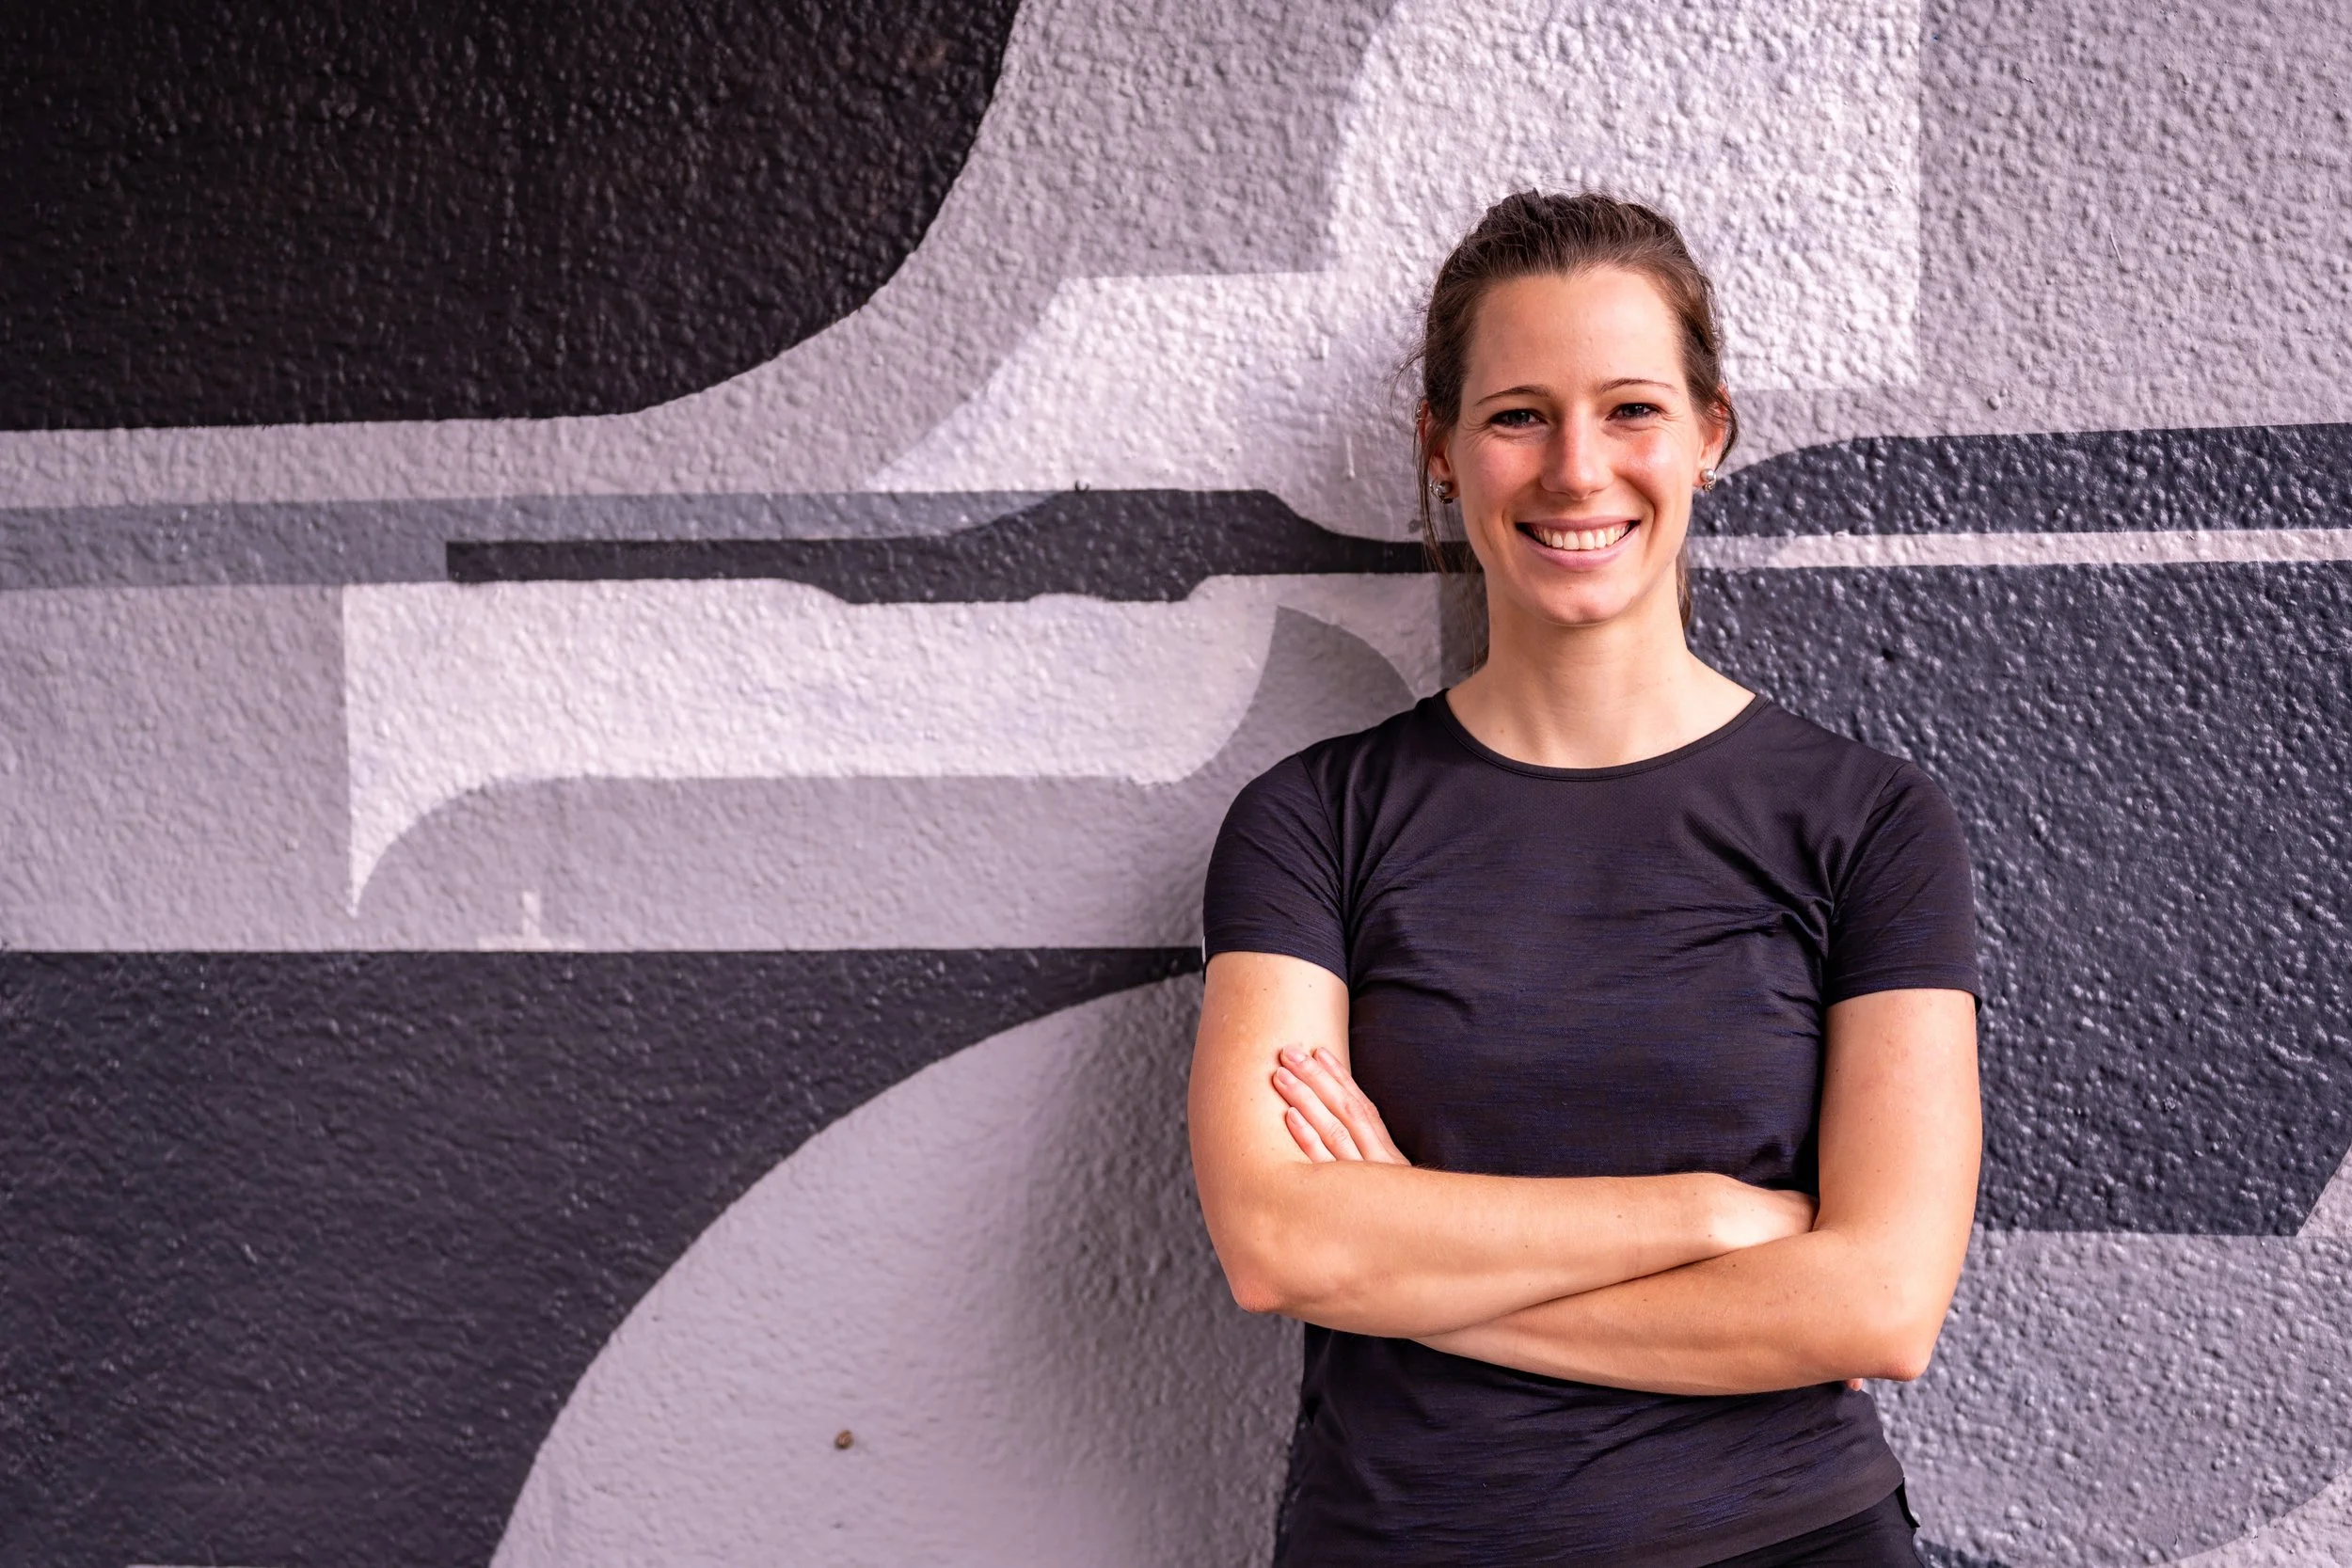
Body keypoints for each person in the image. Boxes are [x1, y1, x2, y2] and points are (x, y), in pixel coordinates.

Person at [1187, 190, 1981, 1567]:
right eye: (1515, 416)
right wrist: (1710, 1216)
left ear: (1709, 436)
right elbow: (1274, 1239)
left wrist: (1414, 1271)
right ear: (1442, 450)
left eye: (1630, 409)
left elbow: (1878, 1303)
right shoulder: (1312, 822)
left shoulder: (1870, 823)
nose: (1575, 469)